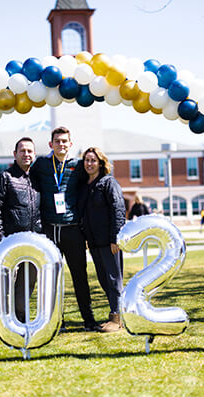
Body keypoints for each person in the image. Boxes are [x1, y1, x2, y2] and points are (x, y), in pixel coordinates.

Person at [30, 126, 100, 331]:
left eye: (65, 141)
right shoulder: (41, 164)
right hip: (49, 230)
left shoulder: (78, 165)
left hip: (72, 230)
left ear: (70, 144)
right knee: (50, 277)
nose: (61, 144)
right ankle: (54, 321)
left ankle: (89, 320)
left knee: (80, 276)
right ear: (51, 144)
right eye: (57, 141)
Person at [0, 137, 41, 322]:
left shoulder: (38, 179)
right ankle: (4, 321)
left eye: (30, 151)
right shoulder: (4, 177)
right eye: (23, 151)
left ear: (34, 155)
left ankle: (21, 319)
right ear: (15, 154)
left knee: (28, 283)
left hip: (34, 242)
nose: (26, 154)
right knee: (6, 284)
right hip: (10, 241)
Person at [78, 147, 126, 332]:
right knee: (104, 279)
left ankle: (117, 318)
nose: (89, 164)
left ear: (100, 163)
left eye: (93, 160)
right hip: (94, 242)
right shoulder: (86, 185)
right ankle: (117, 313)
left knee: (114, 279)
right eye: (87, 160)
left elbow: (118, 209)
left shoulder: (108, 182)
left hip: (109, 241)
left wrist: (116, 237)